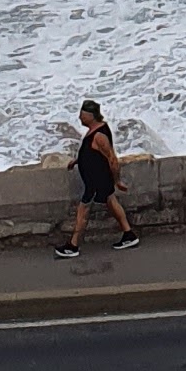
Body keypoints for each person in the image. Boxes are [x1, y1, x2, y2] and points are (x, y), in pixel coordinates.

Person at [55, 99, 141, 258]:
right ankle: (129, 234)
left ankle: (73, 246)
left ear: (91, 116)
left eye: (82, 115)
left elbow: (112, 159)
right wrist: (78, 160)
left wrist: (117, 181)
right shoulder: (94, 130)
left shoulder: (99, 135)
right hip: (97, 179)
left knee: (83, 210)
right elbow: (92, 153)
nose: (80, 118)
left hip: (96, 181)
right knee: (112, 202)